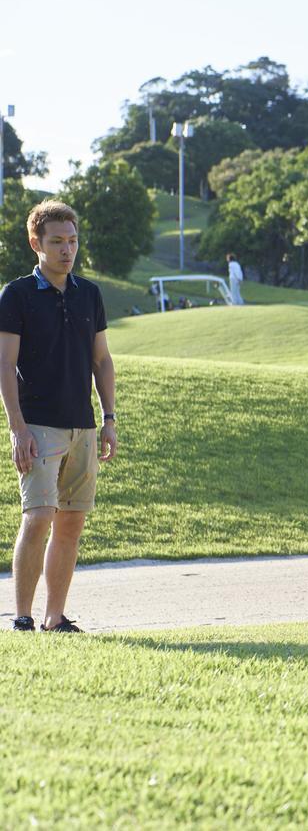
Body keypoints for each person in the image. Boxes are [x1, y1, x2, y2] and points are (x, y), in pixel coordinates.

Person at [0, 201, 117, 632]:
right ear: (36, 243)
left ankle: (55, 617)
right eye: (57, 242)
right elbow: (4, 365)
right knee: (38, 516)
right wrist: (17, 429)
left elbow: (102, 361)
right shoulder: (16, 295)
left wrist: (109, 418)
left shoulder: (90, 293)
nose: (67, 250)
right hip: (38, 426)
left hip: (83, 426)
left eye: (72, 241)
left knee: (70, 522)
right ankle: (23, 617)